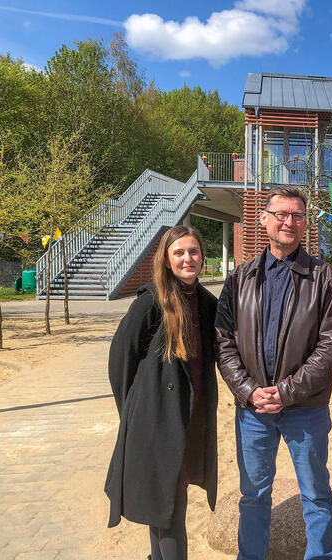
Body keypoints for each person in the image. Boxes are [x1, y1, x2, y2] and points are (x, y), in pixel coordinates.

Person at [215, 186, 332, 560]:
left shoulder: (325, 279)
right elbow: (223, 341)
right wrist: (249, 391)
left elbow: (329, 347)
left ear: (306, 223)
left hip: (305, 408)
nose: (289, 222)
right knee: (254, 495)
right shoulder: (240, 278)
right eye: (282, 214)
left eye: (298, 215)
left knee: (316, 493)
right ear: (264, 219)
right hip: (252, 409)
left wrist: (285, 392)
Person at [105, 225, 218, 560]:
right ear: (167, 260)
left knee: (165, 503)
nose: (187, 259)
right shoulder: (151, 303)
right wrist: (137, 411)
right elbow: (120, 360)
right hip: (156, 420)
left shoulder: (207, 304)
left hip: (191, 417)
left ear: (202, 257)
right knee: (169, 507)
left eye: (193, 251)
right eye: (179, 253)